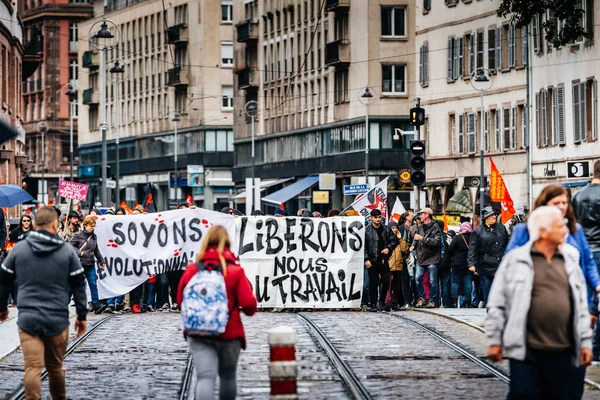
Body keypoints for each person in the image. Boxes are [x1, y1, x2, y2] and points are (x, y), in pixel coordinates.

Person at [486, 206, 593, 400]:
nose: (566, 231)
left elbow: (580, 306)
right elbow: (498, 302)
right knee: (524, 396)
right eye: (560, 226)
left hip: (565, 351)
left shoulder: (570, 260)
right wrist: (495, 340)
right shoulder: (515, 260)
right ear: (543, 231)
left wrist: (585, 343)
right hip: (527, 352)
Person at [0, 206, 87, 400]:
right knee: (55, 367)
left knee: (32, 367)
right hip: (57, 318)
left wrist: (2, 308)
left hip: (28, 319)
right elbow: (79, 285)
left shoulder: (19, 249)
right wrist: (81, 316)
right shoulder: (66, 251)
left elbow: (4, 279)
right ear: (55, 224)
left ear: (34, 224)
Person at [177, 226, 257, 400]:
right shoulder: (235, 271)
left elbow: (179, 301)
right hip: (229, 333)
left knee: (205, 377)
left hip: (198, 333)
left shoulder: (192, 270)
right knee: (227, 377)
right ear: (228, 244)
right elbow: (249, 305)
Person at [467, 206, 508, 307]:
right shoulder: (478, 231)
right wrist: (471, 263)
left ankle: (498, 312)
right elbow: (472, 248)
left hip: (500, 264)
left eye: (494, 214)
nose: (494, 216)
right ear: (486, 217)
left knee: (499, 291)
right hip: (485, 266)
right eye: (491, 215)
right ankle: (490, 312)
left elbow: (507, 244)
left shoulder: (501, 228)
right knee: (487, 290)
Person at [70, 216, 107, 314]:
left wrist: (101, 261)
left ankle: (96, 306)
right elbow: (70, 246)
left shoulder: (94, 236)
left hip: (90, 264)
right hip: (79, 264)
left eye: (94, 226)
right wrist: (79, 252)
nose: (92, 228)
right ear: (85, 225)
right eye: (91, 226)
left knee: (93, 285)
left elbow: (96, 250)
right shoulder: (78, 235)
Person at [363, 209, 398, 312]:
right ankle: (373, 304)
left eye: (379, 217)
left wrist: (389, 248)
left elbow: (394, 240)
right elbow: (364, 246)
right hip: (372, 260)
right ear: (371, 218)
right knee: (373, 283)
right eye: (375, 217)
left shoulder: (386, 229)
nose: (378, 220)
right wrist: (366, 259)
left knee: (386, 281)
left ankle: (381, 301)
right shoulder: (367, 230)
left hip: (383, 260)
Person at [413, 207, 441, 308]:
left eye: (421, 214)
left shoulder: (435, 227)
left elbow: (436, 242)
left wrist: (422, 238)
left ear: (427, 215)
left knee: (433, 281)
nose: (420, 216)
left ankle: (432, 300)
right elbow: (416, 238)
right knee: (417, 278)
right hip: (421, 257)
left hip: (432, 257)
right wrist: (413, 245)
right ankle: (422, 298)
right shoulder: (420, 227)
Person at [448, 222, 473, 308]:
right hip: (469, 264)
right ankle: (468, 302)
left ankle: (454, 301)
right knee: (468, 282)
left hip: (457, 264)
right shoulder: (472, 238)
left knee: (455, 282)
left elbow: (450, 249)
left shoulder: (457, 238)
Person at [388, 221, 410, 310]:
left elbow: (405, 249)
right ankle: (387, 302)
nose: (395, 229)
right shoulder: (387, 238)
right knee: (388, 285)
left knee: (397, 286)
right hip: (389, 265)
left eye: (395, 228)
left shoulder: (399, 239)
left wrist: (400, 238)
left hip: (398, 265)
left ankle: (395, 302)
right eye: (392, 228)